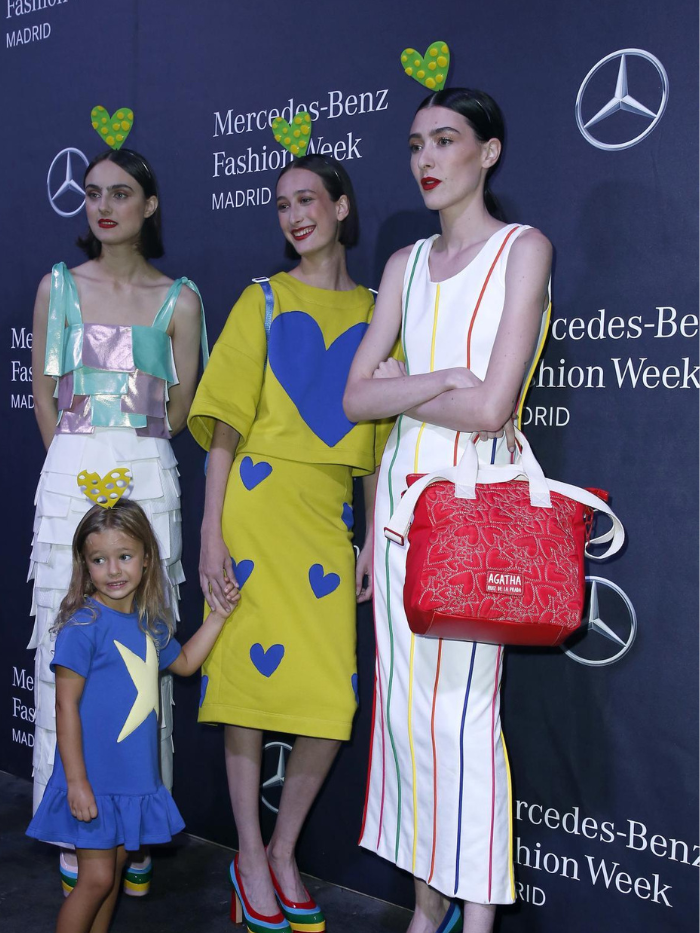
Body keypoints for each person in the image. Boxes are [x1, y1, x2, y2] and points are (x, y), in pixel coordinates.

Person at [343, 88, 552, 933]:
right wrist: (432, 381)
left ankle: (472, 918)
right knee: (403, 713)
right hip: (401, 511)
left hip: (476, 512)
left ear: (488, 153)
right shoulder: (400, 266)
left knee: (461, 718)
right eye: (415, 144)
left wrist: (400, 387)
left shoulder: (523, 249)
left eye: (446, 140)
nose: (426, 159)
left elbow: (494, 405)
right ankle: (426, 908)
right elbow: (357, 398)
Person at [188, 153, 390, 932]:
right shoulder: (262, 300)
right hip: (255, 510)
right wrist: (211, 531)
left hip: (328, 520)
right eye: (282, 204)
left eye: (308, 199)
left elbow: (375, 437)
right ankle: (248, 853)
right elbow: (223, 430)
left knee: (329, 697)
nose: (295, 214)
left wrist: (371, 533)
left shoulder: (379, 308)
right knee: (244, 685)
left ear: (341, 206)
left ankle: (283, 846)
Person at [30, 147, 207, 893]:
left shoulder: (183, 299)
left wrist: (130, 466)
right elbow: (44, 392)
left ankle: (132, 825)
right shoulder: (58, 288)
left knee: (143, 655)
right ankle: (76, 826)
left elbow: (185, 406)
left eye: (122, 193)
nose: (104, 206)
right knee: (64, 637)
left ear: (150, 204)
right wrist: (75, 465)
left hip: (149, 472)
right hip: (72, 475)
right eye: (94, 193)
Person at [27, 498, 238, 933]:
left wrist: (219, 616)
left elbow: (185, 664)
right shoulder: (83, 625)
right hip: (95, 779)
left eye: (124, 556)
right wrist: (78, 781)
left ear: (145, 560)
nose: (114, 570)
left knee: (114, 874)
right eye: (100, 560)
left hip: (134, 779)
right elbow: (65, 706)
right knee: (96, 879)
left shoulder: (150, 623)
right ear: (86, 567)